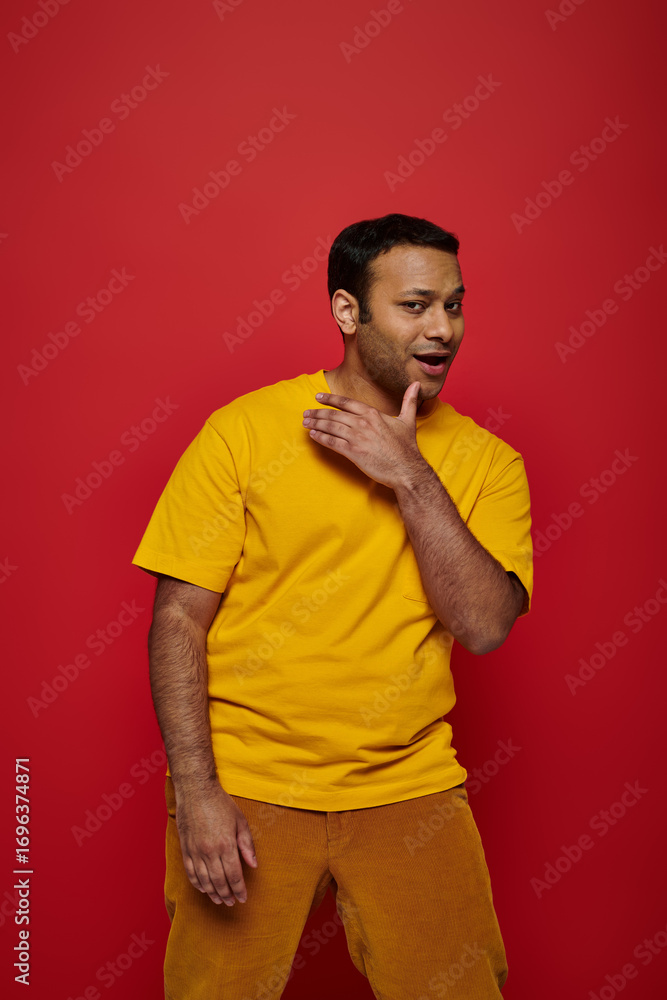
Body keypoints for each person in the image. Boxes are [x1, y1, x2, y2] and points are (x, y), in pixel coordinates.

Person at [131, 212, 534, 1000]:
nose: (442, 328)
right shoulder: (242, 434)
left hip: (409, 790)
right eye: (414, 305)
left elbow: (485, 627)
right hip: (247, 788)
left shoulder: (488, 463)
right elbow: (177, 619)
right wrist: (198, 793)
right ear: (348, 311)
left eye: (453, 305)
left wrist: (410, 476)